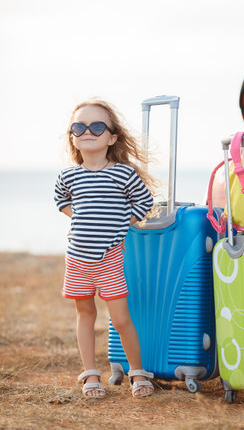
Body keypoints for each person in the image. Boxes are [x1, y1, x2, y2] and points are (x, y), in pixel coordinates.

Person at [54, 98, 158, 399]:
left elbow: (145, 203)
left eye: (97, 126)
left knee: (121, 318)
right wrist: (82, 218)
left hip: (109, 259)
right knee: (85, 314)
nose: (87, 131)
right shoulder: (68, 176)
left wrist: (121, 225)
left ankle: (137, 371)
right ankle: (90, 374)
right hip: (77, 259)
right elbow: (61, 200)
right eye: (79, 126)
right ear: (72, 136)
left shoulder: (123, 174)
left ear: (111, 137)